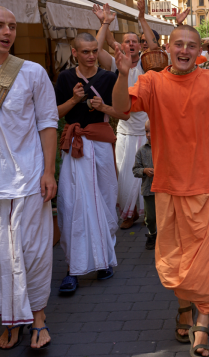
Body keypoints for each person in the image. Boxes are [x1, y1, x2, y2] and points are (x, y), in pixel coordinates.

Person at [111, 24, 209, 357]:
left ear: (199, 52)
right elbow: (122, 109)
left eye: (191, 46)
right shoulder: (152, 82)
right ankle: (184, 308)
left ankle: (203, 320)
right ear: (169, 48)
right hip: (169, 186)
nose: (184, 50)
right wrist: (123, 74)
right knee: (177, 258)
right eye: (179, 44)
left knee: (208, 260)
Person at [56, 33, 130, 293]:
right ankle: (72, 269)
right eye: (85, 51)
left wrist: (103, 108)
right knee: (73, 204)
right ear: (74, 52)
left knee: (105, 201)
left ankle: (104, 260)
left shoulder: (109, 78)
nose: (90, 56)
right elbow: (53, 113)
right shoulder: (65, 78)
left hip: (100, 145)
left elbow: (124, 113)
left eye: (93, 51)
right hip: (75, 146)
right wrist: (74, 100)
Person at [0, 7, 56, 349]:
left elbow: (48, 122)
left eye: (12, 26)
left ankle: (37, 318)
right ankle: (9, 317)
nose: (7, 31)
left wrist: (49, 171)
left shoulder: (32, 72)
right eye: (0, 25)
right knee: (2, 256)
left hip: (30, 178)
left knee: (33, 251)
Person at [95, 2, 157, 230]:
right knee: (125, 175)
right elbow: (96, 50)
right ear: (121, 45)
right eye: (126, 41)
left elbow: (155, 46)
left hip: (147, 130)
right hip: (124, 131)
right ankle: (128, 214)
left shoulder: (148, 64)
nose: (131, 44)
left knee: (147, 173)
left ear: (139, 46)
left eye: (134, 41)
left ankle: (150, 214)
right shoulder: (115, 63)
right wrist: (104, 23)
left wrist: (142, 18)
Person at [132, 120, 157, 250]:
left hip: (164, 190)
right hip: (148, 190)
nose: (148, 134)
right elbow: (135, 170)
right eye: (146, 131)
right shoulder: (141, 151)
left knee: (165, 216)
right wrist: (144, 171)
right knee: (150, 217)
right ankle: (152, 234)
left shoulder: (165, 148)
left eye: (152, 131)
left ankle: (165, 237)